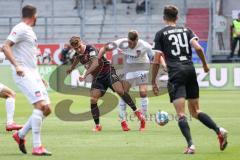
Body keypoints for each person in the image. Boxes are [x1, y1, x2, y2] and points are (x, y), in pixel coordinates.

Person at [151, 5, 228, 154]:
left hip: (176, 73)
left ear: (164, 18)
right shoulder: (187, 30)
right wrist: (205, 65)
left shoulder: (160, 34)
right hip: (190, 70)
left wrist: (153, 81)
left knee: (181, 114)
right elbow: (198, 48)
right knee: (195, 111)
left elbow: (156, 60)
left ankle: (191, 145)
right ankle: (219, 130)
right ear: (177, 17)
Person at [67, 36, 145, 132]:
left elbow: (95, 64)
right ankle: (98, 125)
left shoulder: (91, 48)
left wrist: (85, 75)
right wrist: (71, 68)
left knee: (120, 91)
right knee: (93, 99)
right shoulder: (78, 54)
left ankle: (137, 112)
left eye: (79, 46)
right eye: (76, 48)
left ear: (81, 42)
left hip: (108, 72)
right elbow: (77, 59)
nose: (78, 49)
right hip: (98, 78)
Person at [2, 5, 52, 156]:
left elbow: (28, 56)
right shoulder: (21, 28)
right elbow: (5, 46)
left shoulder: (29, 30)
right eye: (37, 15)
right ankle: (37, 147)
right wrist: (16, 65)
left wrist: (39, 77)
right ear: (34, 16)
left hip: (33, 74)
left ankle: (20, 135)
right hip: (24, 73)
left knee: (47, 109)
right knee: (40, 105)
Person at [98, 30, 155, 131]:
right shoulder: (121, 43)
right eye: (129, 43)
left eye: (134, 43)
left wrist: (161, 66)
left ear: (137, 40)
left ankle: (143, 120)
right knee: (123, 93)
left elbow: (155, 56)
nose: (131, 45)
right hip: (129, 69)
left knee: (143, 92)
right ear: (127, 40)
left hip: (142, 67)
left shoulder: (145, 46)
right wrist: (98, 59)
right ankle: (123, 121)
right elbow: (104, 48)